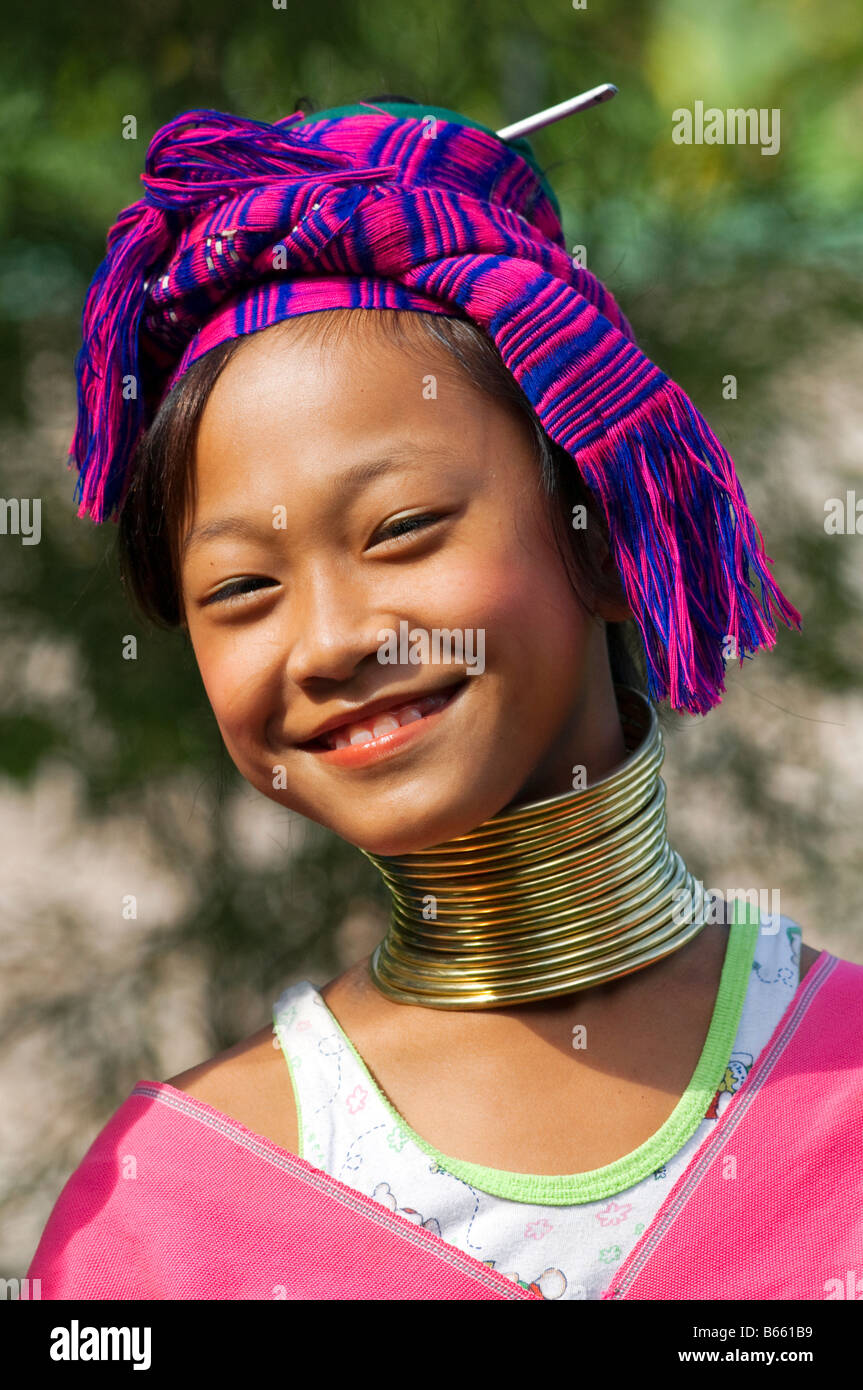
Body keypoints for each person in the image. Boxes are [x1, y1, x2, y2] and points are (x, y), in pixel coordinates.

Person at [27, 96, 862, 1301]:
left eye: (403, 528)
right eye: (242, 588)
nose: (327, 640)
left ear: (602, 526)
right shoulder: (168, 1227)